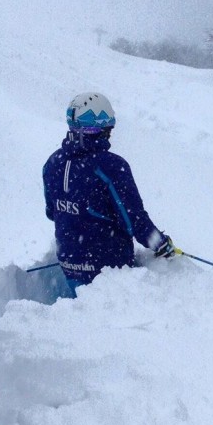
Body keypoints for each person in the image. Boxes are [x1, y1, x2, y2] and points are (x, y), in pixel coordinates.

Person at [42, 92, 175, 295]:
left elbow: (52, 212)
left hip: (69, 265)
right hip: (109, 271)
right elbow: (133, 219)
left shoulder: (52, 163)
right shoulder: (111, 166)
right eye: (109, 129)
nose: (110, 134)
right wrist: (160, 244)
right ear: (100, 128)